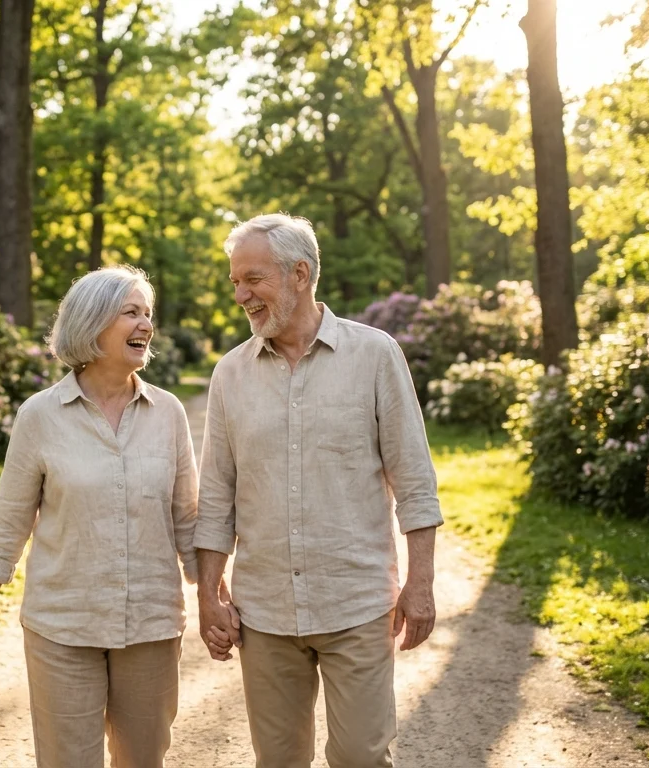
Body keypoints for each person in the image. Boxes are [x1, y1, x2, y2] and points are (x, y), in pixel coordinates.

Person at [194, 213, 444, 768]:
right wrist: (208, 593)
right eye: (235, 281)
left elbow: (415, 480)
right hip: (264, 615)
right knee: (278, 761)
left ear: (300, 273)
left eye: (252, 279)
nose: (241, 295)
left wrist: (420, 582)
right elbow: (215, 497)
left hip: (356, 603)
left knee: (360, 756)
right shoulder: (229, 375)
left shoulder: (375, 356)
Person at [0, 265, 200, 768]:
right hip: (62, 627)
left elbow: (188, 521)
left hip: (151, 626)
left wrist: (214, 597)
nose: (146, 324)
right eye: (131, 312)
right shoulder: (40, 416)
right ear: (92, 322)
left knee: (144, 759)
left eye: (148, 313)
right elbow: (9, 524)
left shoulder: (169, 414)